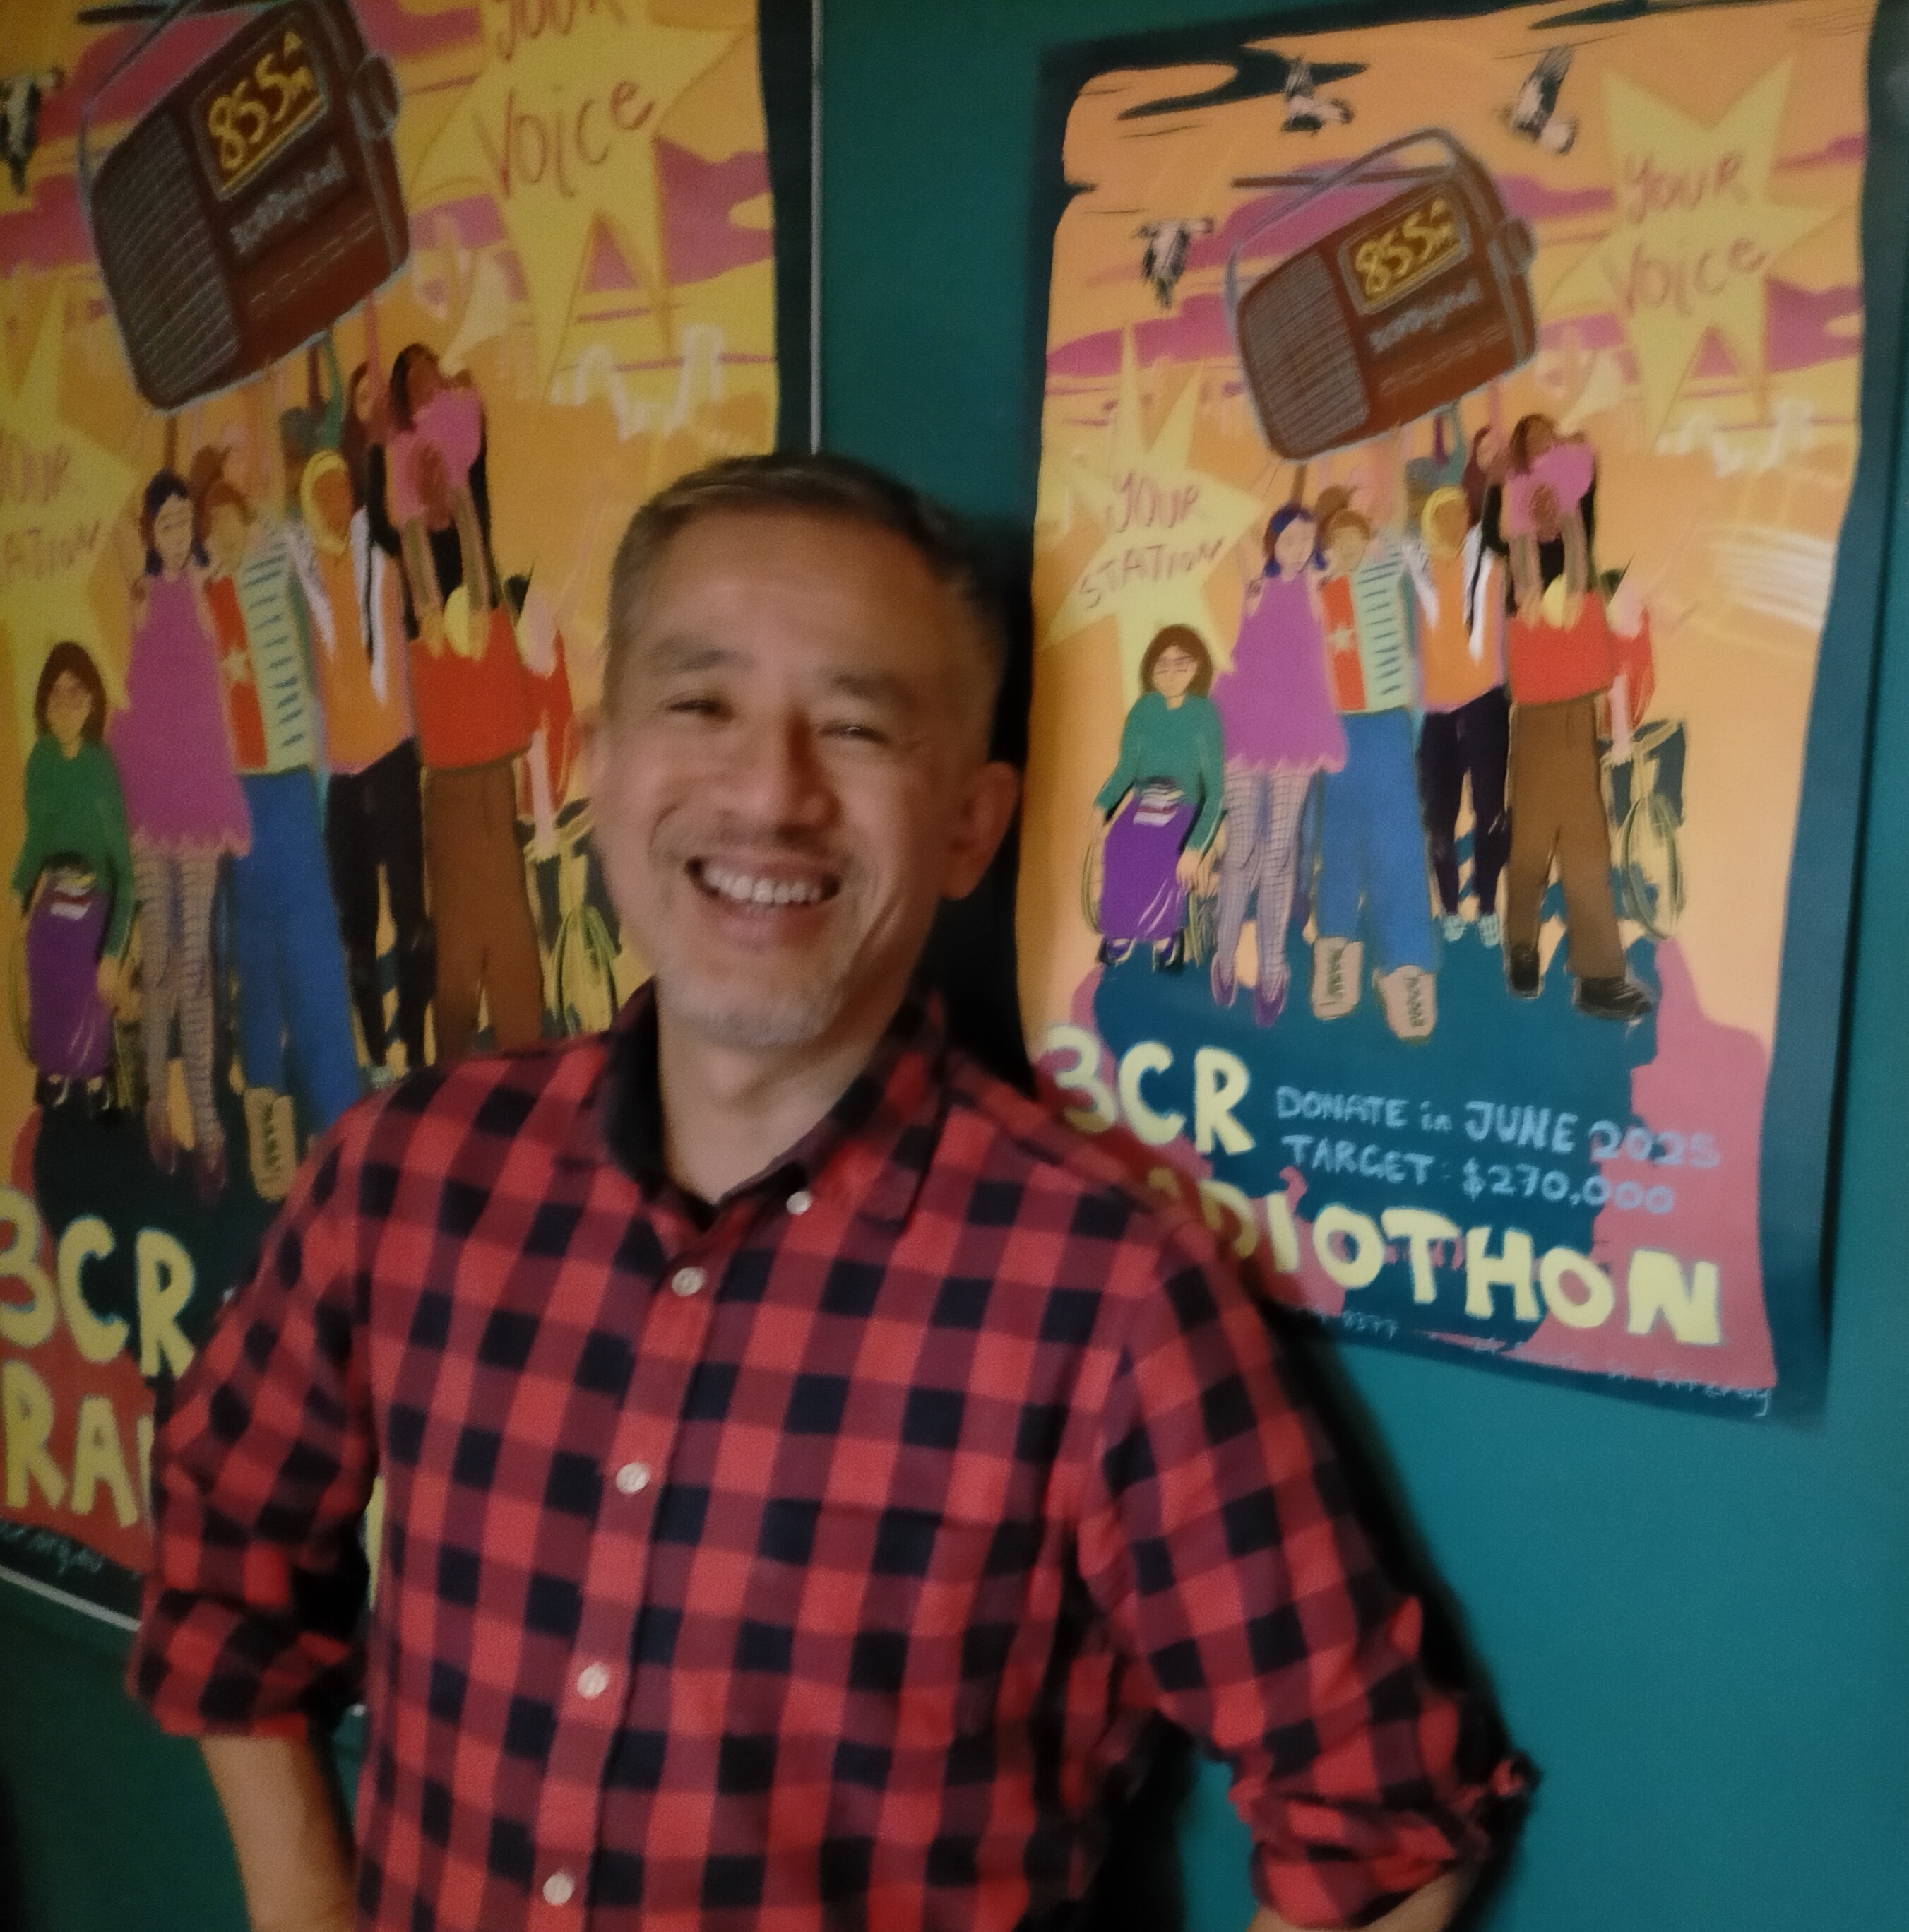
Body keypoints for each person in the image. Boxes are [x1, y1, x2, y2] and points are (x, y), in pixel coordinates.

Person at [131, 454, 1526, 1932]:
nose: (768, 793)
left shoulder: (1103, 1298)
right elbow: (223, 1539)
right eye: (701, 704)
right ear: (598, 761)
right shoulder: (404, 1178)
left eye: (855, 726)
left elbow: (1384, 1819)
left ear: (971, 824)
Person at [195, 450, 364, 1197]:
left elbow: (301, 532)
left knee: (312, 952)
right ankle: (269, 1120)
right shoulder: (201, 598)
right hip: (237, 794)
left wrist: (264, 513)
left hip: (289, 784)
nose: (223, 531)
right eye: (212, 524)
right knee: (255, 962)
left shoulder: (275, 566)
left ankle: (339, 1120)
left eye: (230, 517)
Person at [370, 342, 542, 1062]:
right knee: (460, 938)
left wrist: (461, 427)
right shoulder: (399, 494)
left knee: (505, 923)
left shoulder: (467, 471)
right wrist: (383, 450)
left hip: (481, 691)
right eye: (411, 384)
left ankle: (522, 1049)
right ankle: (455, 1064)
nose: (424, 388)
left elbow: (475, 474)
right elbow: (392, 526)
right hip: (445, 719)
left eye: (428, 377)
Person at [107, 470, 251, 1199]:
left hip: (196, 798)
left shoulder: (205, 587)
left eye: (183, 520)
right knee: (159, 961)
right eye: (164, 521)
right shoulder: (139, 594)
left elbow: (221, 700)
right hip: (144, 797)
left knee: (194, 965)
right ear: (150, 528)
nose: (177, 532)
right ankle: (157, 1113)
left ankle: (210, 1130)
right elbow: (113, 526)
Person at [1481, 417, 1653, 1021]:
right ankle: (1522, 947)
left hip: (1576, 710)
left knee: (1583, 847)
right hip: (1534, 714)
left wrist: (1578, 458)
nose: (1542, 448)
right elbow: (1493, 532)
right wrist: (1498, 483)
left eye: (1548, 439)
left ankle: (1599, 976)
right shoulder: (1512, 542)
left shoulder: (1579, 523)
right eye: (1531, 442)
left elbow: (1587, 484)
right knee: (1531, 844)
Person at [299, 446, 433, 1077]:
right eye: (322, 490)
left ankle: (417, 1045)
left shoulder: (382, 567)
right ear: (308, 503)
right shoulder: (303, 579)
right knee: (356, 928)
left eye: (341, 487)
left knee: (411, 914)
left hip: (394, 760)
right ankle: (377, 1057)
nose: (335, 499)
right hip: (344, 778)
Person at [1209, 505, 1345, 1024]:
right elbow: (1235, 532)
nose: (1299, 547)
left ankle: (1272, 970)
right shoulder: (1254, 585)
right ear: (1272, 542)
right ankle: (1224, 956)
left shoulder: (1315, 586)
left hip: (1296, 728)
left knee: (1279, 853)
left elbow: (1344, 557)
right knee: (1243, 845)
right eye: (1289, 538)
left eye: (1307, 537)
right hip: (1244, 723)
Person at [1310, 496, 1439, 1042]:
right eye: (1336, 541)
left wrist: (1383, 507)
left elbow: (1408, 537)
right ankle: (1335, 954)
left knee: (1397, 846)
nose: (1346, 547)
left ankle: (1405, 970)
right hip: (1336, 727)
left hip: (1385, 723)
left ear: (1369, 543)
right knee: (1338, 844)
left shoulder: (1384, 571)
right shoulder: (1317, 592)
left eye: (1354, 539)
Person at [12, 642, 134, 1113]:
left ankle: (94, 1072)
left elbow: (124, 872)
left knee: (85, 958)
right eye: (56, 694)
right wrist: (17, 892)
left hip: (98, 892)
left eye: (76, 694)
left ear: (92, 702)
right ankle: (54, 1068)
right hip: (56, 888)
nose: (65, 706)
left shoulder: (100, 769)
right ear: (44, 702)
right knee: (41, 945)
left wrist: (113, 953)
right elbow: (37, 841)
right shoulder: (40, 762)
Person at [1405, 485, 1509, 947]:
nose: (1453, 521)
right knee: (1439, 819)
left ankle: (1487, 904)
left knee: (1489, 812)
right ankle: (1448, 906)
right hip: (1438, 715)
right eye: (1442, 513)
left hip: (1484, 704)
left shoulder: (1488, 564)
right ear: (1429, 521)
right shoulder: (1417, 567)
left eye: (1461, 512)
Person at [1092, 624, 1223, 972]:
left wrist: (1195, 848)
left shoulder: (1204, 715)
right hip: (1142, 803)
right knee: (1119, 843)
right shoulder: (1143, 711)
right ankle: (1120, 930)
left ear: (1197, 666)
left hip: (1185, 806)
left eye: (1181, 664)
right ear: (1150, 669)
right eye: (1162, 665)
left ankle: (1165, 936)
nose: (1171, 674)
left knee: (1166, 851)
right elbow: (1125, 771)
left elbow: (1216, 791)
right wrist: (1101, 807)